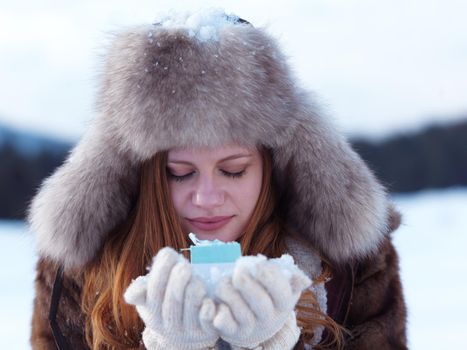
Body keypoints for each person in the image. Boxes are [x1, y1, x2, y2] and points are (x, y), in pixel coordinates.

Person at [28, 9, 407, 350]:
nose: (206, 197)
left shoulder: (348, 269)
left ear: (271, 165)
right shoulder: (84, 275)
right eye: (179, 173)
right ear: (147, 176)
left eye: (233, 169)